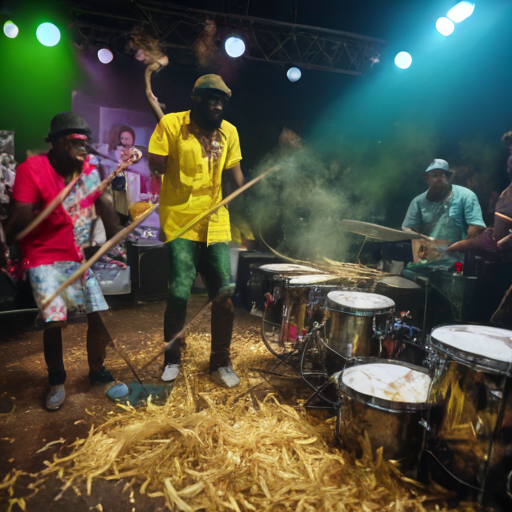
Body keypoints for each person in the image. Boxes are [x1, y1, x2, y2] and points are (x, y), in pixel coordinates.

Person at [3, 112, 118, 410]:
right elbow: (20, 218)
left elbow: (106, 208)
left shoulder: (87, 169)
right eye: (76, 143)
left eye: (86, 144)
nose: (83, 150)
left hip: (74, 254)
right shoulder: (32, 169)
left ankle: (97, 370)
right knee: (55, 320)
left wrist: (118, 235)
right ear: (55, 144)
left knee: (98, 315)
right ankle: (56, 379)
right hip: (42, 255)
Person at [148, 74, 244, 388]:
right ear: (196, 98)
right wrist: (159, 159)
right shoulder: (172, 124)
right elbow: (156, 165)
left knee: (224, 298)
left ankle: (221, 362)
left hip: (216, 224)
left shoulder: (229, 132)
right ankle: (172, 358)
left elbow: (236, 177)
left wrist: (245, 188)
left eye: (223, 100)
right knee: (178, 295)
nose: (218, 105)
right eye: (212, 98)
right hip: (180, 223)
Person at [402, 158, 486, 246]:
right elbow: (408, 229)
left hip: (458, 256)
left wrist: (459, 247)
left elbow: (477, 227)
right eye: (434, 175)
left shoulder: (466, 196)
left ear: (448, 177)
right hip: (427, 255)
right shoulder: (418, 202)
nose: (439, 179)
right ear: (426, 178)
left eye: (442, 175)